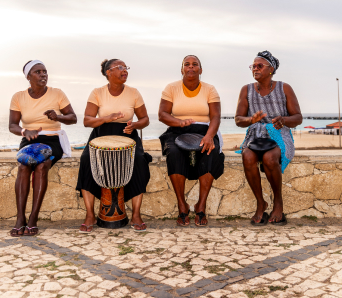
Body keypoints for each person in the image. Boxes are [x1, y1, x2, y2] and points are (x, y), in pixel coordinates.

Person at [76, 59, 151, 232]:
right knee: (86, 159)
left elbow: (145, 119)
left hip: (128, 135)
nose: (124, 70)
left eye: (126, 68)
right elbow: (87, 120)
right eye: (120, 67)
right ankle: (89, 215)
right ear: (108, 72)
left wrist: (135, 125)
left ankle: (136, 214)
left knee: (139, 160)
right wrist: (106, 118)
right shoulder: (97, 93)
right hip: (101, 135)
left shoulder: (134, 92)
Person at [9, 60, 77, 236]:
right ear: (28, 76)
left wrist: (58, 117)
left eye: (44, 71)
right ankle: (20, 219)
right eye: (38, 72)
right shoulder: (19, 97)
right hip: (30, 139)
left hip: (52, 140)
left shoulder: (57, 93)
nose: (43, 75)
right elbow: (12, 126)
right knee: (23, 167)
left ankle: (33, 218)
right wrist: (25, 131)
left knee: (41, 166)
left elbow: (73, 118)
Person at [235, 50, 302, 226]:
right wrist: (251, 119)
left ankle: (278, 202)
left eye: (259, 66)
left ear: (271, 69)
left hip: (279, 134)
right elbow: (238, 119)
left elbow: (298, 118)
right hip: (255, 135)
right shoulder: (246, 90)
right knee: (247, 156)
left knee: (269, 158)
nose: (255, 69)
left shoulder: (284, 88)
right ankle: (260, 203)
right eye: (253, 66)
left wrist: (284, 120)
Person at [158, 55, 225, 227]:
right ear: (182, 70)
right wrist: (179, 122)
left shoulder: (210, 89)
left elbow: (215, 116)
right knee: (173, 153)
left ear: (200, 70)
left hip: (204, 131)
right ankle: (182, 205)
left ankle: (200, 205)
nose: (191, 67)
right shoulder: (171, 88)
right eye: (186, 64)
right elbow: (163, 114)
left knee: (211, 152)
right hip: (176, 130)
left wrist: (210, 136)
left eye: (195, 64)